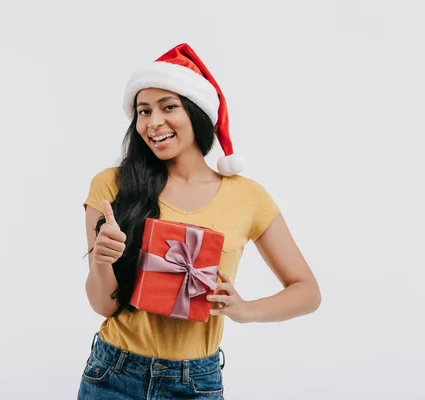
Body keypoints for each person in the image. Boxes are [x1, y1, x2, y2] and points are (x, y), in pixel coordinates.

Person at [77, 43, 321, 400]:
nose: (153, 122)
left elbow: (307, 292)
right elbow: (104, 306)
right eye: (143, 111)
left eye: (169, 107)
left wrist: (244, 310)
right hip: (113, 374)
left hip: (195, 382)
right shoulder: (112, 184)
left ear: (197, 112)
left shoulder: (247, 196)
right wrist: (102, 261)